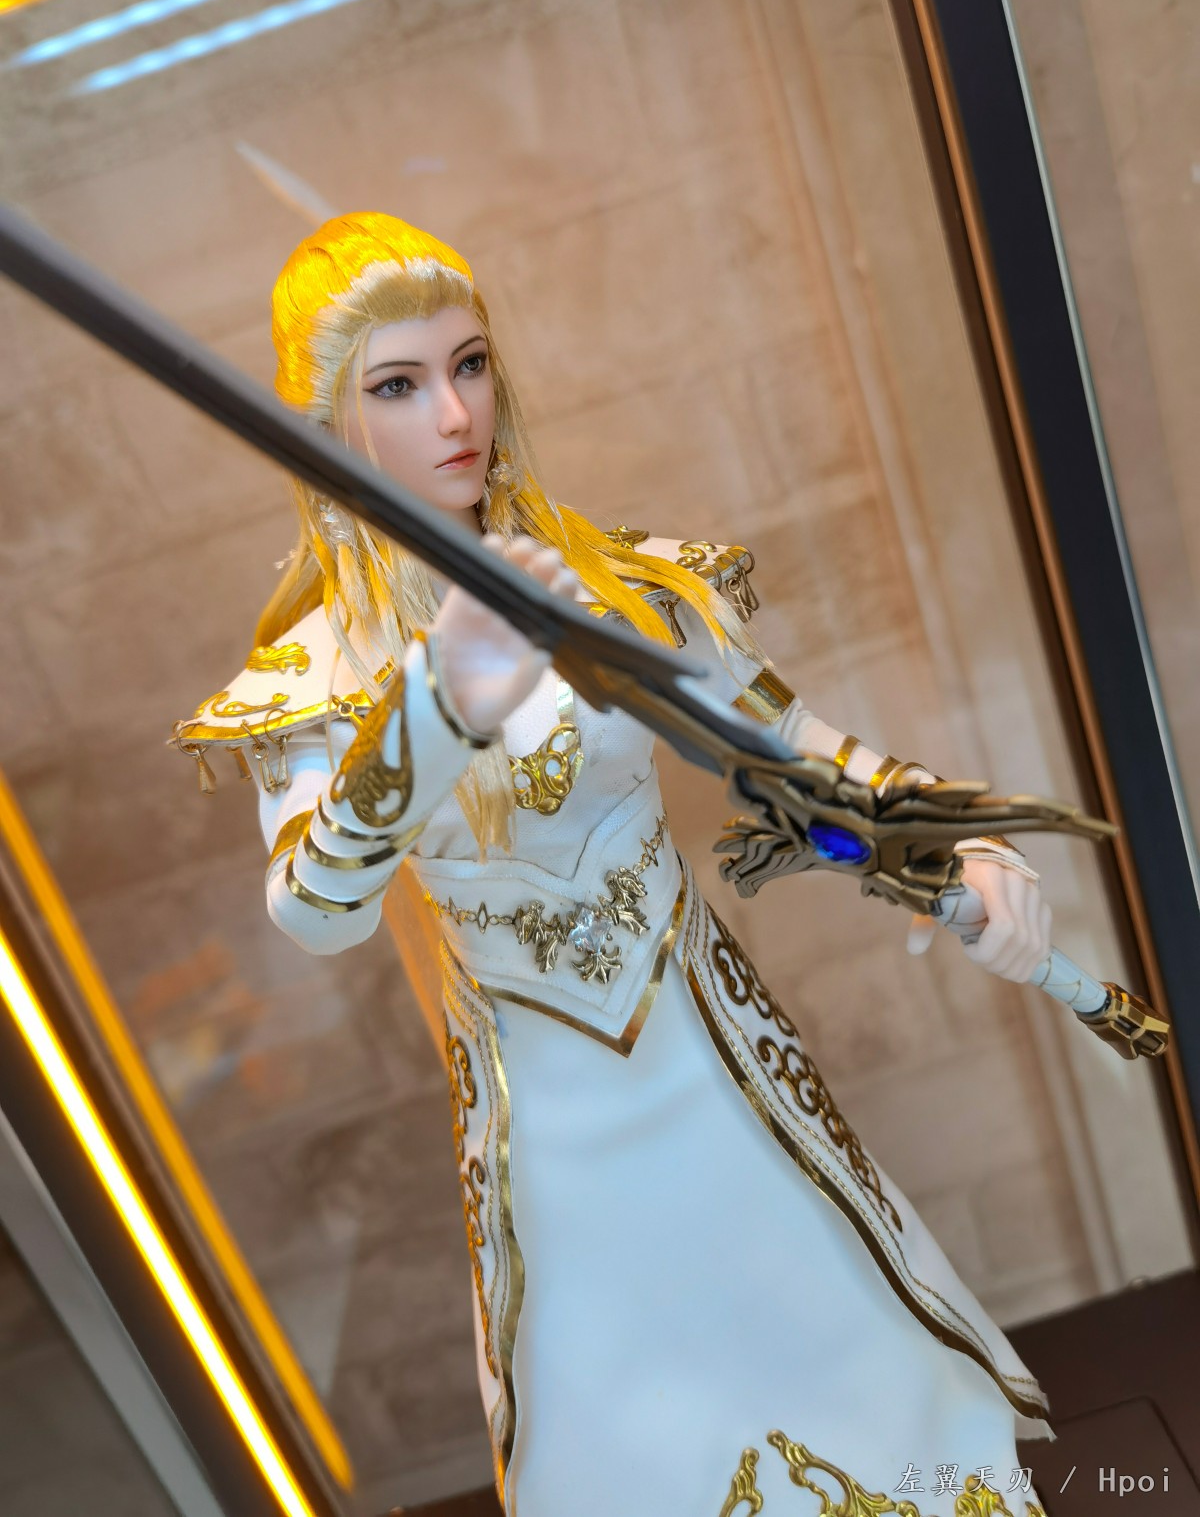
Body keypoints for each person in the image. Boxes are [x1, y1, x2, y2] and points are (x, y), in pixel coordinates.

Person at [171, 213, 1055, 1516]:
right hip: (545, 1131)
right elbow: (316, 910)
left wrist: (945, 851)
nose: (454, 414)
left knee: (857, 1384)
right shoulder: (307, 685)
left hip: (718, 1068)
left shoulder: (625, 588)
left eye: (469, 364)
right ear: (326, 420)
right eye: (398, 385)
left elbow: (797, 764)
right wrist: (430, 716)